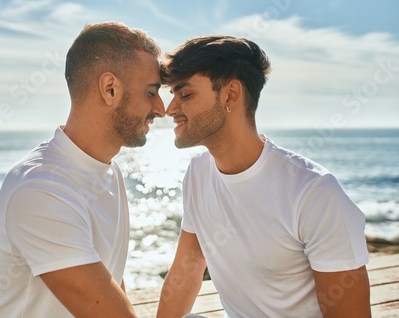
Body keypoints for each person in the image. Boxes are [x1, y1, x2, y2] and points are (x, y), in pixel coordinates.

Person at [156, 36, 371, 318]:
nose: (170, 109)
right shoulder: (198, 173)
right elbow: (188, 267)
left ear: (230, 95)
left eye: (184, 95)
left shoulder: (314, 192)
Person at [0, 21, 165, 317]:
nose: (161, 108)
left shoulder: (109, 171)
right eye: (151, 92)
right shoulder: (41, 188)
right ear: (110, 89)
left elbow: (110, 286)